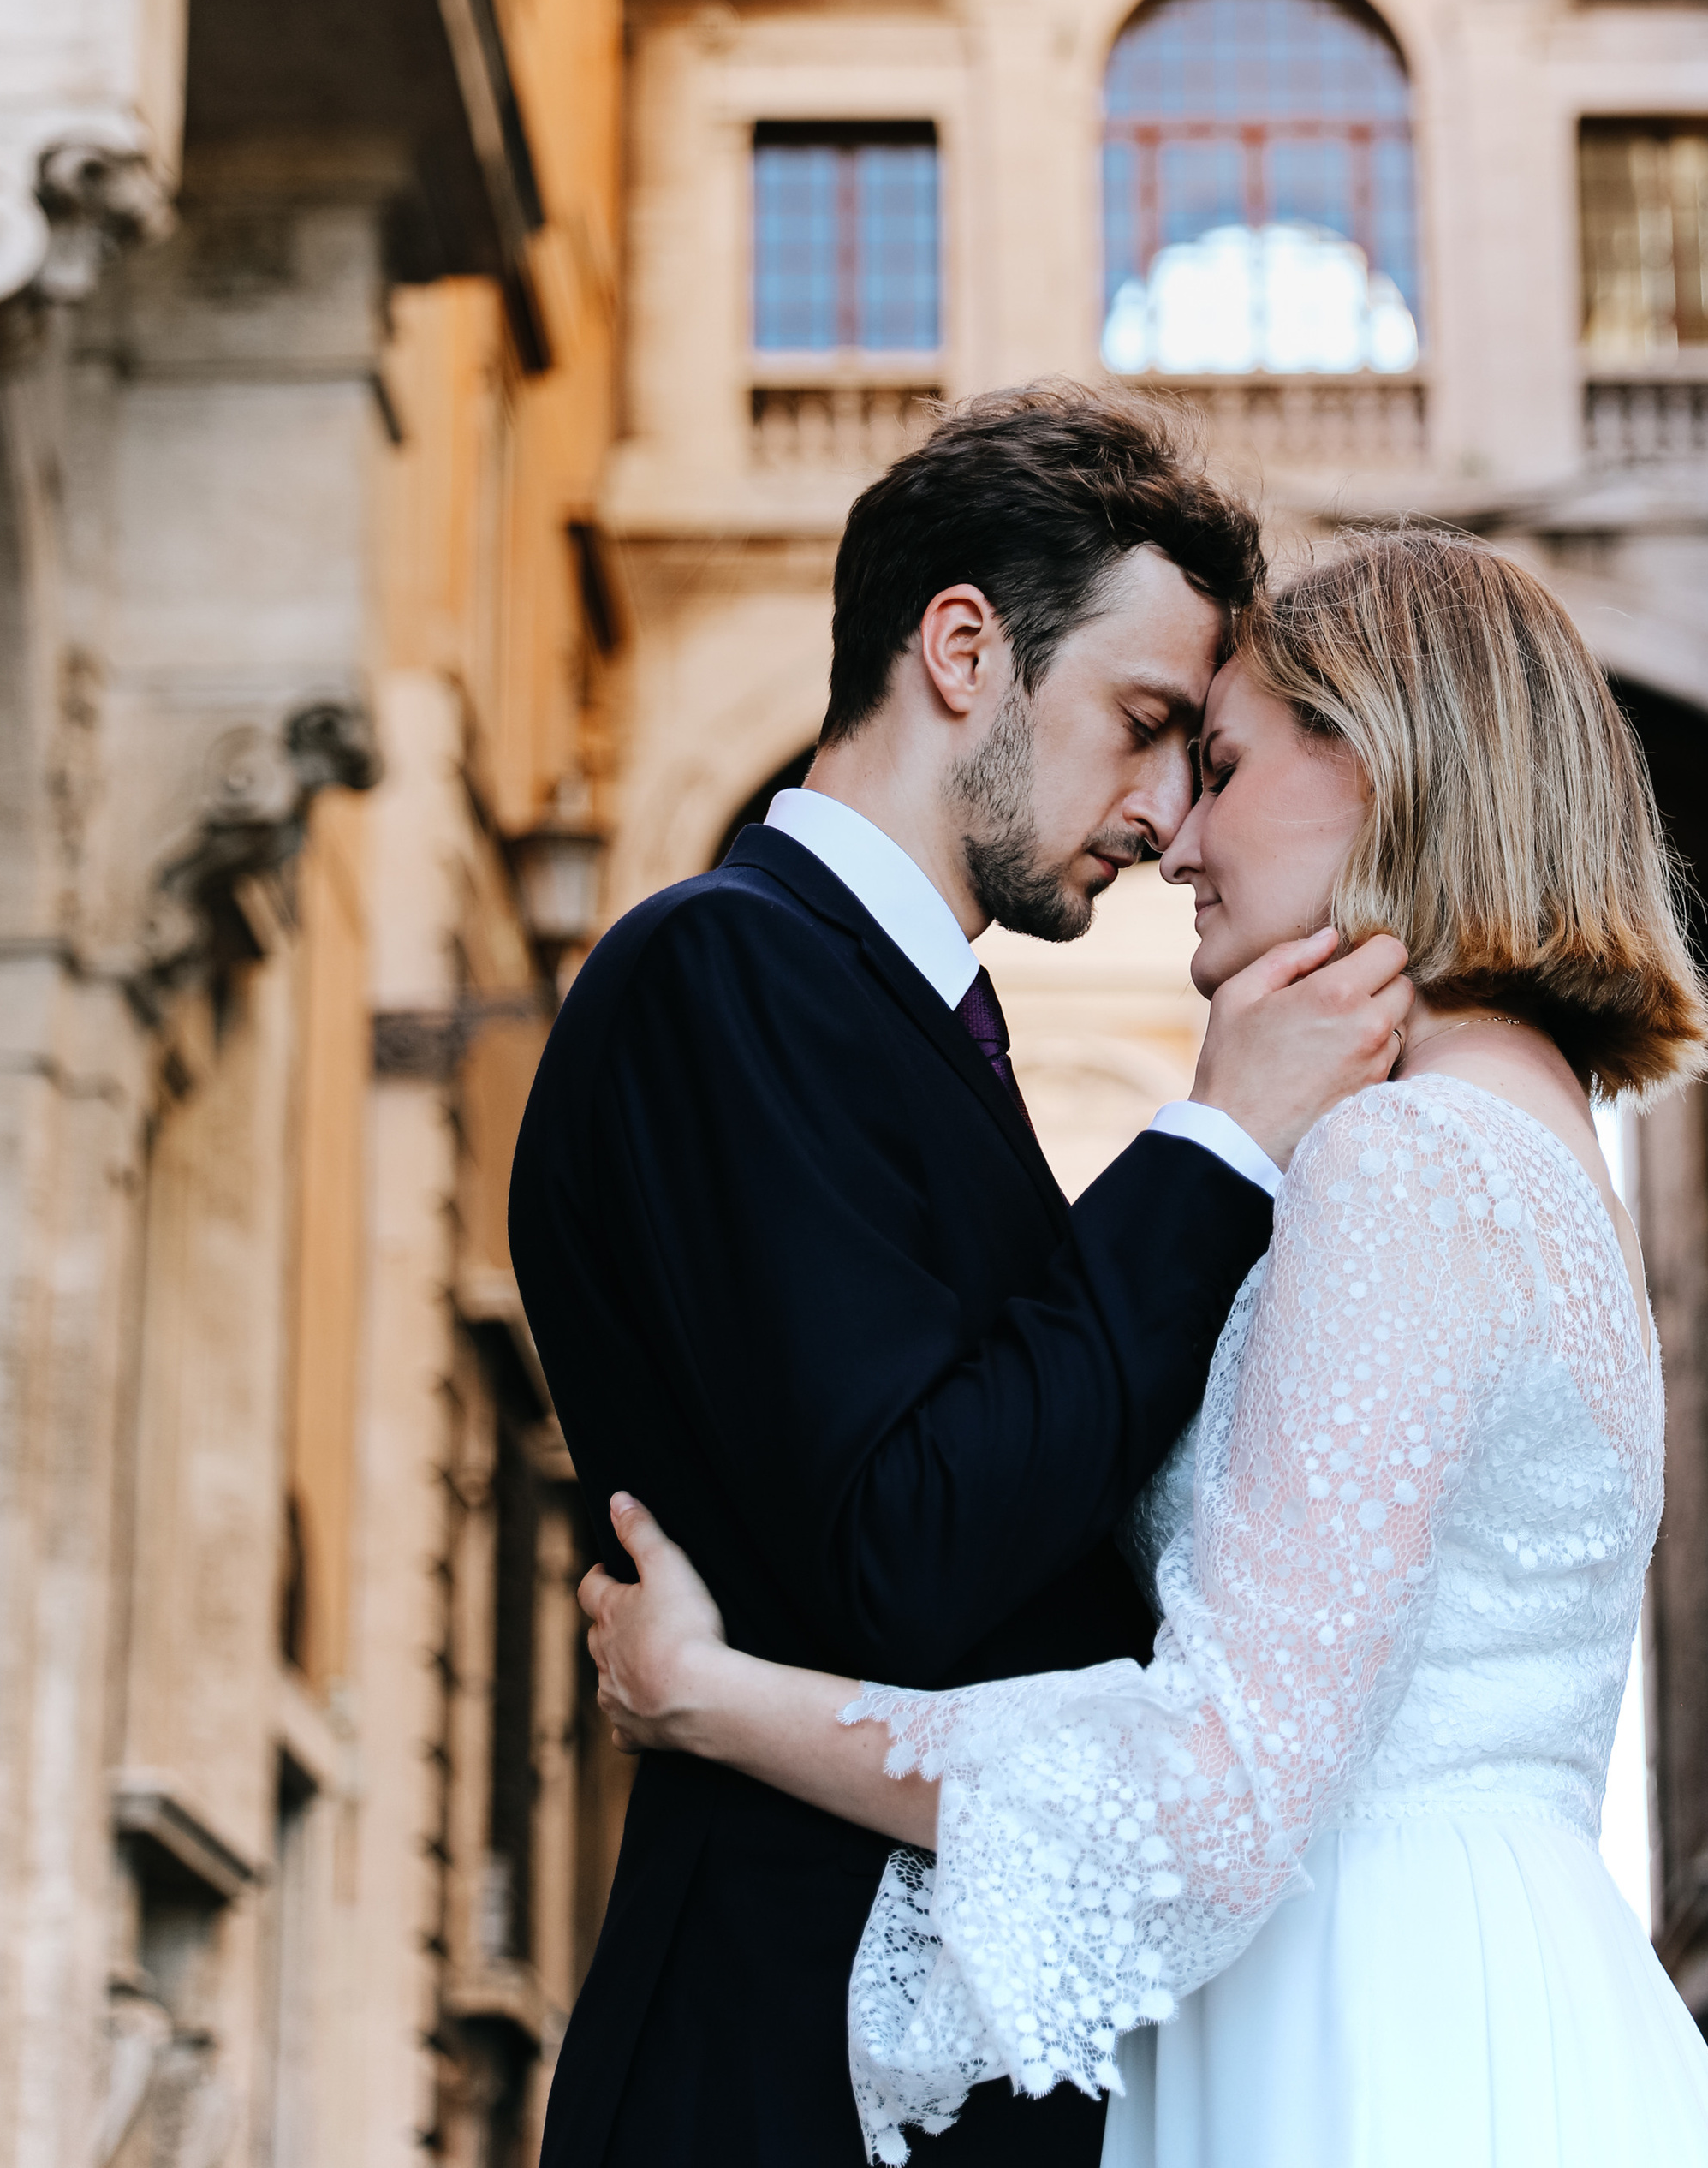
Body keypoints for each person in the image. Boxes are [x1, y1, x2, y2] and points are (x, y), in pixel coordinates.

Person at [580, 529, 1708, 2168]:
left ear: (1380, 768)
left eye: (1219, 766)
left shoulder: (1406, 1161)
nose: (1178, 842)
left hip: (1362, 2037)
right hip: (1494, 1993)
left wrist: (712, 1696)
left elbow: (1208, 1799)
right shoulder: (1532, 1146)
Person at [509, 388, 1413, 2167]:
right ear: (962, 650)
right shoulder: (723, 972)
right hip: (777, 2071)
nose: (1164, 815)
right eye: (1143, 726)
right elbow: (909, 1548)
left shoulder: (904, 1014)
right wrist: (1217, 1142)